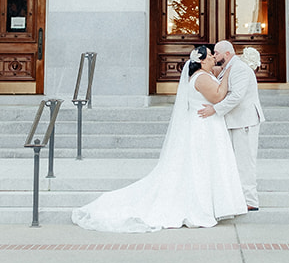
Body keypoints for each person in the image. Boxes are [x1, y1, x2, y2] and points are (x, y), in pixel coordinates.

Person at [71, 46, 247, 232]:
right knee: (200, 165)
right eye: (211, 56)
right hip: (203, 127)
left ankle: (212, 204)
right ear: (202, 61)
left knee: (206, 165)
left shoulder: (204, 74)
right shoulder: (201, 78)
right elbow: (218, 96)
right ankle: (200, 207)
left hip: (208, 124)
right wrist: (228, 73)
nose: (213, 59)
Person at [198, 41, 264, 211]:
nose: (214, 56)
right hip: (235, 121)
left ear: (227, 54)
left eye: (216, 53)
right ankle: (238, 197)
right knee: (235, 162)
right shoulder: (228, 67)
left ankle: (250, 200)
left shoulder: (240, 68)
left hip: (245, 122)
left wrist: (215, 109)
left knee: (245, 162)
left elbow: (237, 97)